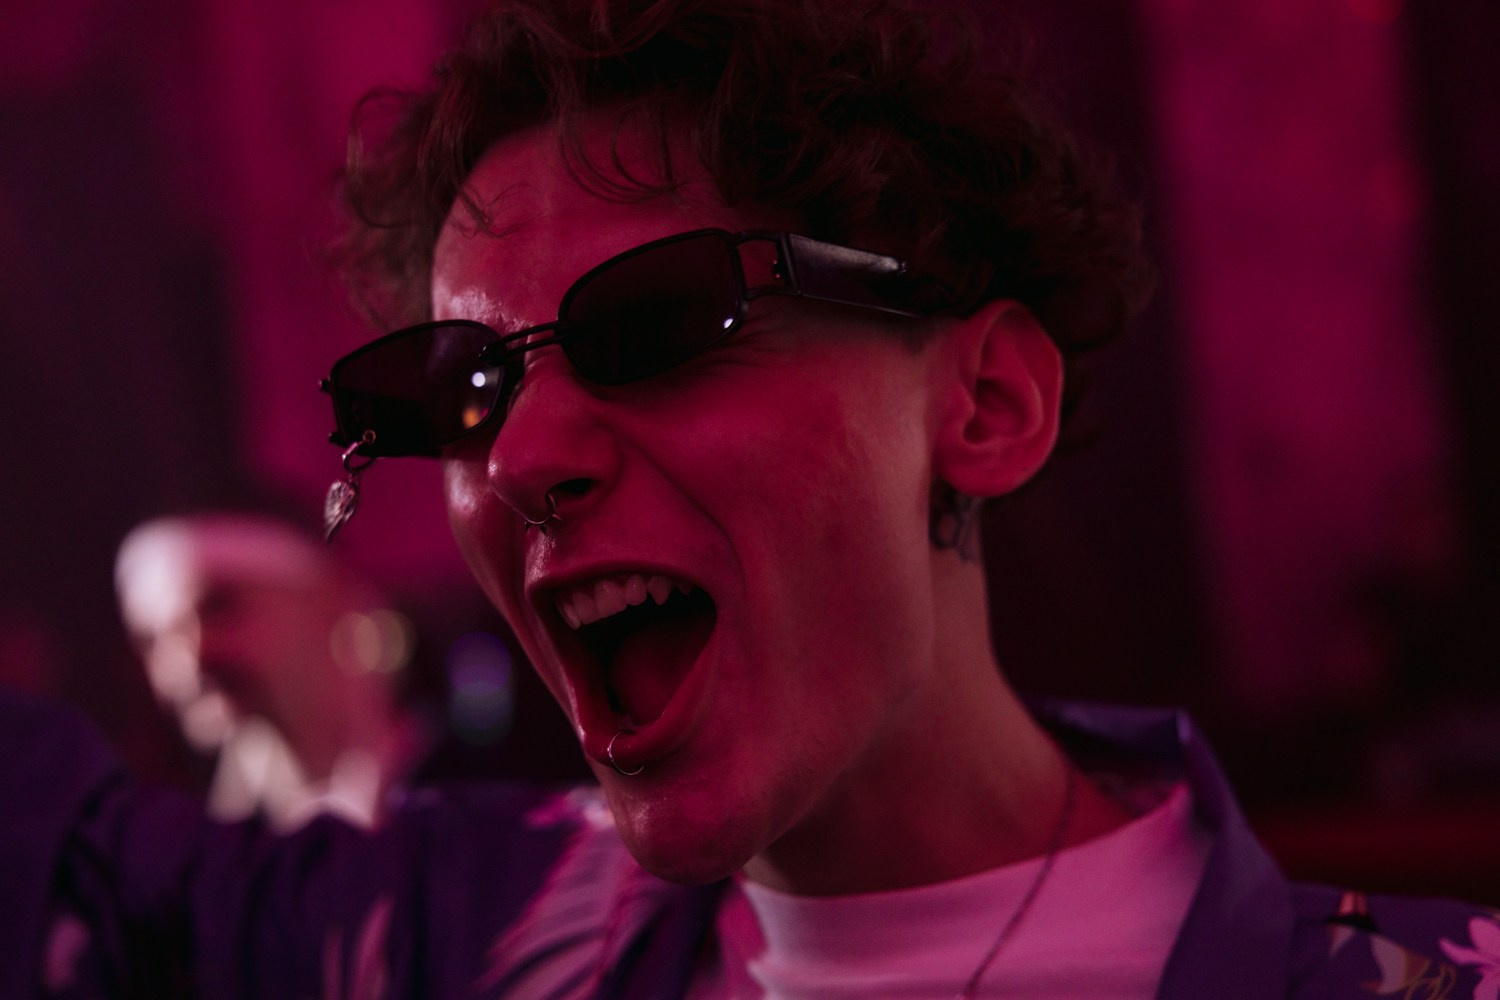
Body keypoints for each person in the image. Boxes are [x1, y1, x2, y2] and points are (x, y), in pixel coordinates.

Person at [1, 0, 1494, 997]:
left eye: (662, 325)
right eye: (466, 385)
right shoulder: (446, 934)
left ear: (985, 404)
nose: (518, 458)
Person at [114, 512, 425, 830]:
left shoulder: (445, 790)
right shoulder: (203, 844)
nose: (188, 659)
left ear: (329, 599)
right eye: (152, 639)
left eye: (218, 607)